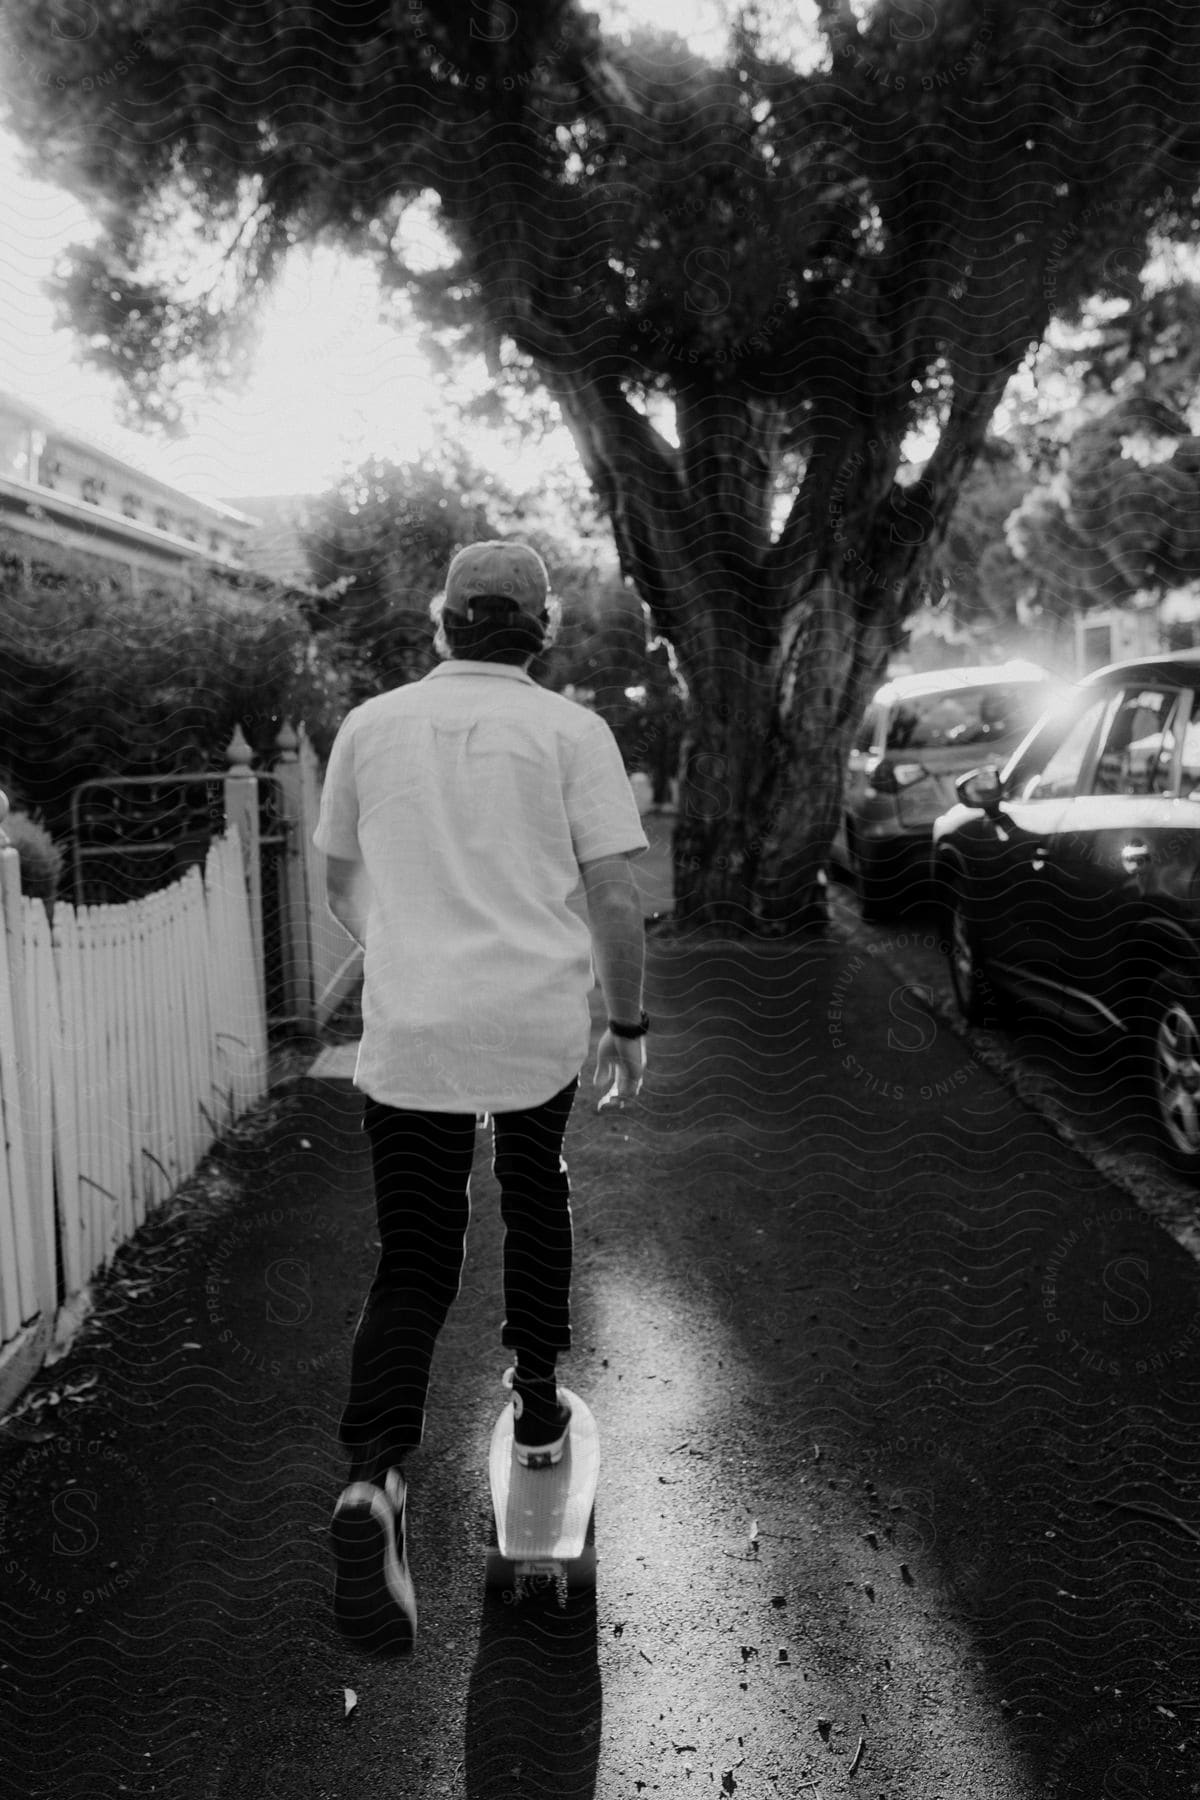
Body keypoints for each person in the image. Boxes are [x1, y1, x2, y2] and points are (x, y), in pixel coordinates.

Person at [313, 539, 649, 1656]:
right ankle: (541, 1401)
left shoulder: (369, 726)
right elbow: (613, 890)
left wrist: (395, 945)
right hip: (532, 1027)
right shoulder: (571, 733)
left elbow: (337, 877)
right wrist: (631, 1021)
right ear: (541, 630)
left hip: (415, 1031)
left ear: (441, 620)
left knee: (414, 1255)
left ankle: (373, 1480)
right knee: (534, 1185)